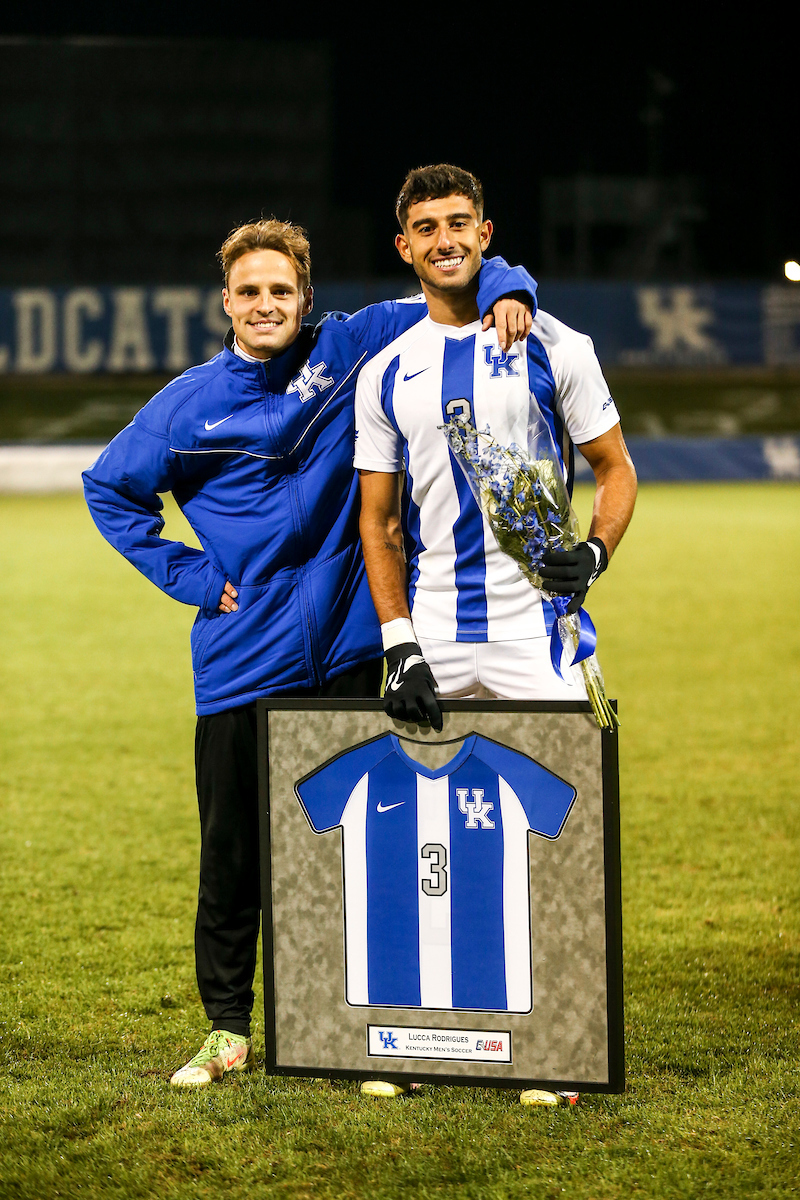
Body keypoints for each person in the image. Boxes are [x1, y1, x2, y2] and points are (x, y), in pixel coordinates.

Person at [83, 216, 535, 1088]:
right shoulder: (185, 405)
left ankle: (360, 1027)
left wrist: (510, 282)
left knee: (367, 851)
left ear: (306, 299)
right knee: (234, 857)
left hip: (356, 654)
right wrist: (185, 573)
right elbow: (111, 487)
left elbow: (449, 278)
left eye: (280, 291)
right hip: (241, 663)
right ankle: (226, 1031)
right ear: (226, 302)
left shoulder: (354, 347)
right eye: (249, 292)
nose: (265, 305)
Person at [354, 165, 637, 1102]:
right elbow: (380, 523)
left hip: (536, 639)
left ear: (487, 234)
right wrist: (397, 638)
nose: (445, 239)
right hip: (433, 632)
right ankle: (414, 1037)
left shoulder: (554, 340)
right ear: (405, 247)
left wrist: (593, 555)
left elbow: (614, 469)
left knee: (549, 841)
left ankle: (552, 1044)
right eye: (426, 227)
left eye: (460, 223)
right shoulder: (386, 370)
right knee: (409, 837)